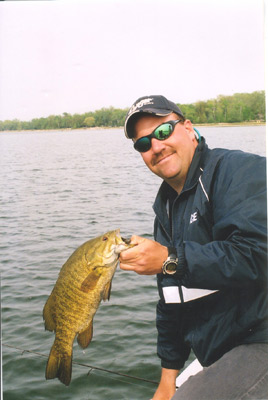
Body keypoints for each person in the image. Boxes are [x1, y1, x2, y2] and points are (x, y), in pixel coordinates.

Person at [119, 95, 268, 400]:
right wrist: (167, 378)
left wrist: (171, 258)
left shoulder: (238, 170)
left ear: (188, 128)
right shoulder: (165, 211)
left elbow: (258, 254)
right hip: (219, 354)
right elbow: (172, 301)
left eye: (163, 131)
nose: (155, 146)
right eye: (143, 144)